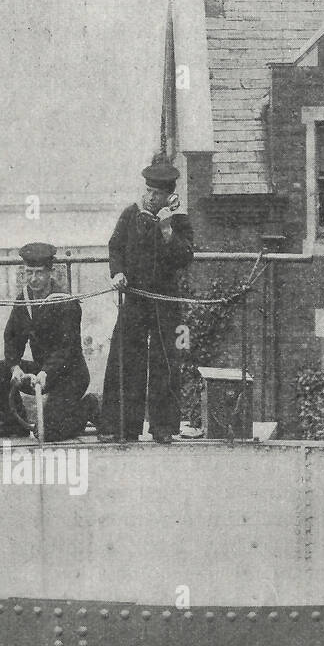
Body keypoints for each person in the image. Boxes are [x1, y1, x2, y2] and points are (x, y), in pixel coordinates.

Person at [100, 161, 195, 443]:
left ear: (170, 197)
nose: (150, 197)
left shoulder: (179, 221)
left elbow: (185, 257)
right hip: (135, 298)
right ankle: (123, 427)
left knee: (166, 360)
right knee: (126, 359)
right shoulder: (131, 215)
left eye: (157, 193)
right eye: (148, 190)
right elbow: (115, 246)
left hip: (165, 301)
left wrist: (167, 230)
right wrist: (117, 272)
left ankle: (163, 427)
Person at [0, 242, 92, 442]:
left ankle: (88, 407)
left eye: (39, 273)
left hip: (70, 375)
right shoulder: (24, 299)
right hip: (42, 371)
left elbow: (65, 350)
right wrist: (15, 366)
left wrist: (45, 373)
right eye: (29, 272)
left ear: (51, 272)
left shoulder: (66, 302)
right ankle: (14, 423)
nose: (33, 279)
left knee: (49, 433)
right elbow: (12, 337)